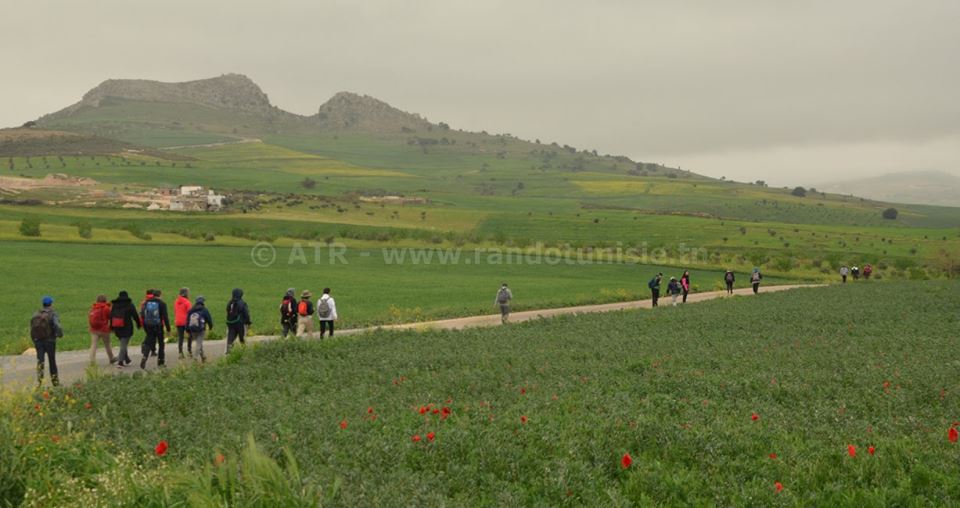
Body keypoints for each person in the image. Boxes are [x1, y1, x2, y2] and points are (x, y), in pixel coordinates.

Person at [30, 296, 63, 386]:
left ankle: (40, 383)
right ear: (51, 304)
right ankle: (55, 383)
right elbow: (57, 326)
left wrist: (35, 339)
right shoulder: (53, 313)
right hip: (50, 341)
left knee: (40, 361)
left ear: (43, 304)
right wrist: (59, 334)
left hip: (38, 340)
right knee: (52, 361)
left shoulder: (36, 314)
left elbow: (32, 327)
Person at [140, 288, 171, 369]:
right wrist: (168, 329)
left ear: (153, 295)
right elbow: (165, 317)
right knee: (161, 344)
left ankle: (144, 357)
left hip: (149, 326)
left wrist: (145, 326)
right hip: (158, 326)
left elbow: (143, 315)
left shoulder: (146, 302)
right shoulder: (162, 303)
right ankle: (161, 362)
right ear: (160, 295)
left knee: (149, 342)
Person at [110, 290, 140, 368]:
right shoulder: (130, 305)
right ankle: (120, 362)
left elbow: (111, 316)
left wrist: (111, 327)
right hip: (127, 327)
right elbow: (135, 316)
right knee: (123, 344)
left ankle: (127, 359)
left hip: (117, 327)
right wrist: (139, 324)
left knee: (123, 343)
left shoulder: (114, 305)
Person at [88, 294, 116, 365]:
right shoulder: (106, 308)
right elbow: (111, 317)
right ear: (105, 300)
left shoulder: (93, 308)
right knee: (107, 344)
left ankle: (92, 360)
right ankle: (111, 358)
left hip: (94, 330)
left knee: (93, 345)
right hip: (104, 330)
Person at [186, 296, 214, 362]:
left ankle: (203, 357)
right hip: (201, 329)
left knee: (199, 343)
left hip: (192, 329)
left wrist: (187, 329)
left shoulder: (191, 310)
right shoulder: (204, 309)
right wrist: (210, 327)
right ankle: (195, 358)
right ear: (202, 302)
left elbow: (187, 320)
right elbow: (209, 319)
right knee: (198, 344)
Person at [226, 288, 252, 353]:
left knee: (230, 339)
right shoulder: (242, 303)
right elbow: (246, 314)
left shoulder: (230, 302)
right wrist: (248, 322)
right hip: (240, 323)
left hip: (231, 323)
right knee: (242, 339)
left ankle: (228, 352)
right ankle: (244, 352)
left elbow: (227, 311)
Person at [174, 287, 193, 359]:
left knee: (180, 337)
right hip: (186, 321)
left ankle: (180, 353)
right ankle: (189, 351)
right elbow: (190, 312)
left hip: (178, 321)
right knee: (189, 336)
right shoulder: (187, 302)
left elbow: (176, 311)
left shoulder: (176, 301)